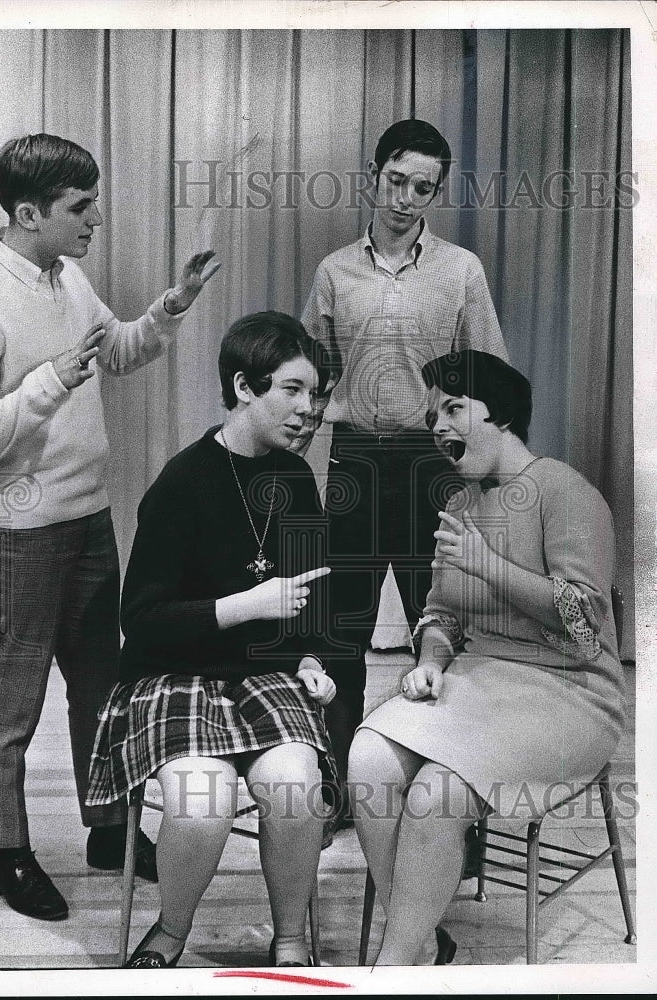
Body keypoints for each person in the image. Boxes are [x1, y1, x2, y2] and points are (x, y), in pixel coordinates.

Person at [0, 133, 220, 921]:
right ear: (29, 212)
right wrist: (53, 378)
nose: (97, 217)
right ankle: (9, 854)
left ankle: (108, 827)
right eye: (80, 206)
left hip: (88, 517)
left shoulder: (66, 274)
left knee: (101, 686)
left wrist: (171, 306)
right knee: (13, 700)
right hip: (18, 532)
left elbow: (117, 352)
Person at [347, 349, 626, 965]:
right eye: (432, 418)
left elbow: (585, 628)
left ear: (499, 416)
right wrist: (430, 661)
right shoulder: (462, 505)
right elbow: (442, 617)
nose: (439, 428)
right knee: (368, 760)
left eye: (453, 410)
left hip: (572, 692)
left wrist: (488, 565)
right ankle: (417, 943)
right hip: (481, 683)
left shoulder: (565, 491)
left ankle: (391, 968)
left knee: (438, 793)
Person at [86, 312, 338, 968]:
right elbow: (141, 622)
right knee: (203, 801)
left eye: (314, 394)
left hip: (262, 675)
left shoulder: (298, 480)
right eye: (291, 390)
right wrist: (242, 606)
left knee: (294, 784)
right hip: (171, 675)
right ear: (243, 387)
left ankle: (289, 938)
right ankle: (170, 930)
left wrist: (309, 656)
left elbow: (312, 604)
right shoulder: (181, 482)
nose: (307, 410)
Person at [298, 118, 510, 834]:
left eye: (423, 187)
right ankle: (335, 787)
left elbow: (488, 382)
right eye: (396, 180)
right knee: (339, 630)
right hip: (355, 460)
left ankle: (444, 801)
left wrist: (490, 481)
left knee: (443, 628)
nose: (407, 197)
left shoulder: (460, 270)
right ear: (374, 174)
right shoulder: (334, 272)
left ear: (436, 192)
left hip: (431, 468)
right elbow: (309, 380)